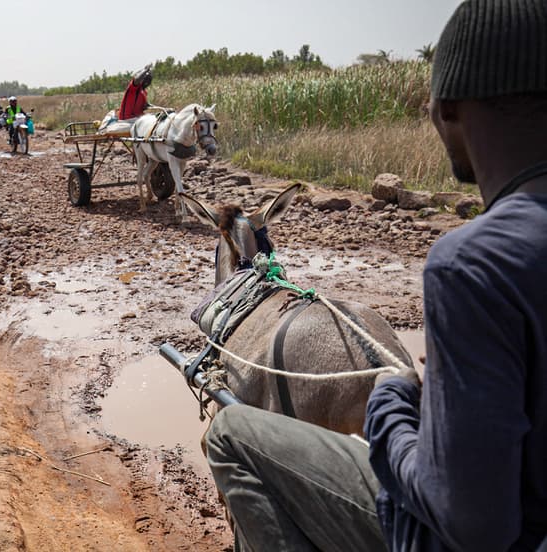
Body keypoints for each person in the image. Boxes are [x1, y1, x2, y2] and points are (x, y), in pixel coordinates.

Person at [205, 1, 547, 551]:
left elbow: (476, 524)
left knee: (230, 433)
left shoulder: (472, 262)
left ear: (446, 108)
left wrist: (389, 407)